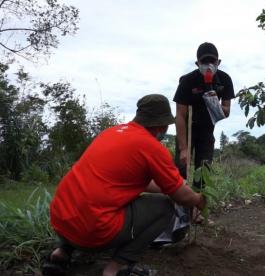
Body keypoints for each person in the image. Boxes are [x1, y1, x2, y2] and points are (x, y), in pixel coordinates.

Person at [43, 94, 206, 276]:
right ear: (162, 125)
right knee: (165, 208)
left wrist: (172, 189)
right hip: (93, 231)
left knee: (88, 198)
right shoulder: (152, 147)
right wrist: (198, 200)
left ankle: (62, 252)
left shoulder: (110, 133)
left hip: (61, 221)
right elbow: (181, 196)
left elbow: (138, 182)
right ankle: (117, 266)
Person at [173, 42, 235, 190]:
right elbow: (180, 116)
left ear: (218, 62)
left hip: (207, 129)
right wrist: (183, 148)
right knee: (181, 170)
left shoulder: (225, 80)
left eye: (212, 61)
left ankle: (198, 208)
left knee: (204, 170)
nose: (208, 65)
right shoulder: (187, 81)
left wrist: (214, 102)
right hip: (187, 129)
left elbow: (226, 112)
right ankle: (180, 209)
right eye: (204, 61)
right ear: (197, 63)